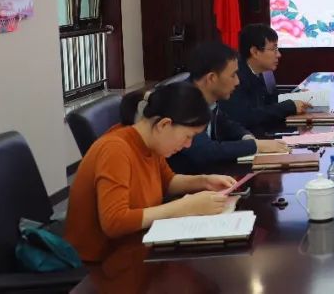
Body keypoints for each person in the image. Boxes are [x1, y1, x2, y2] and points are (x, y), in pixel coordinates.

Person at [64, 83, 238, 262]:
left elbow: (167, 182)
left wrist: (204, 181)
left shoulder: (151, 144)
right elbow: (114, 222)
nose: (188, 145)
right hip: (103, 260)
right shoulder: (115, 149)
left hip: (136, 244)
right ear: (164, 124)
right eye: (188, 136)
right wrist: (186, 207)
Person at [167, 41, 288, 174]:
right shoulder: (182, 101)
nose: (237, 81)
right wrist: (254, 146)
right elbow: (204, 151)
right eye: (233, 75)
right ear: (212, 78)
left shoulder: (207, 97)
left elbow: (225, 123)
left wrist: (246, 137)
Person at [220, 24, 310, 134]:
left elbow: (270, 100)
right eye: (273, 49)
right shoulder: (235, 76)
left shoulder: (262, 72)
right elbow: (245, 117)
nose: (279, 55)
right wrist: (289, 106)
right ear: (255, 52)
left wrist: (296, 96)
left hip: (264, 131)